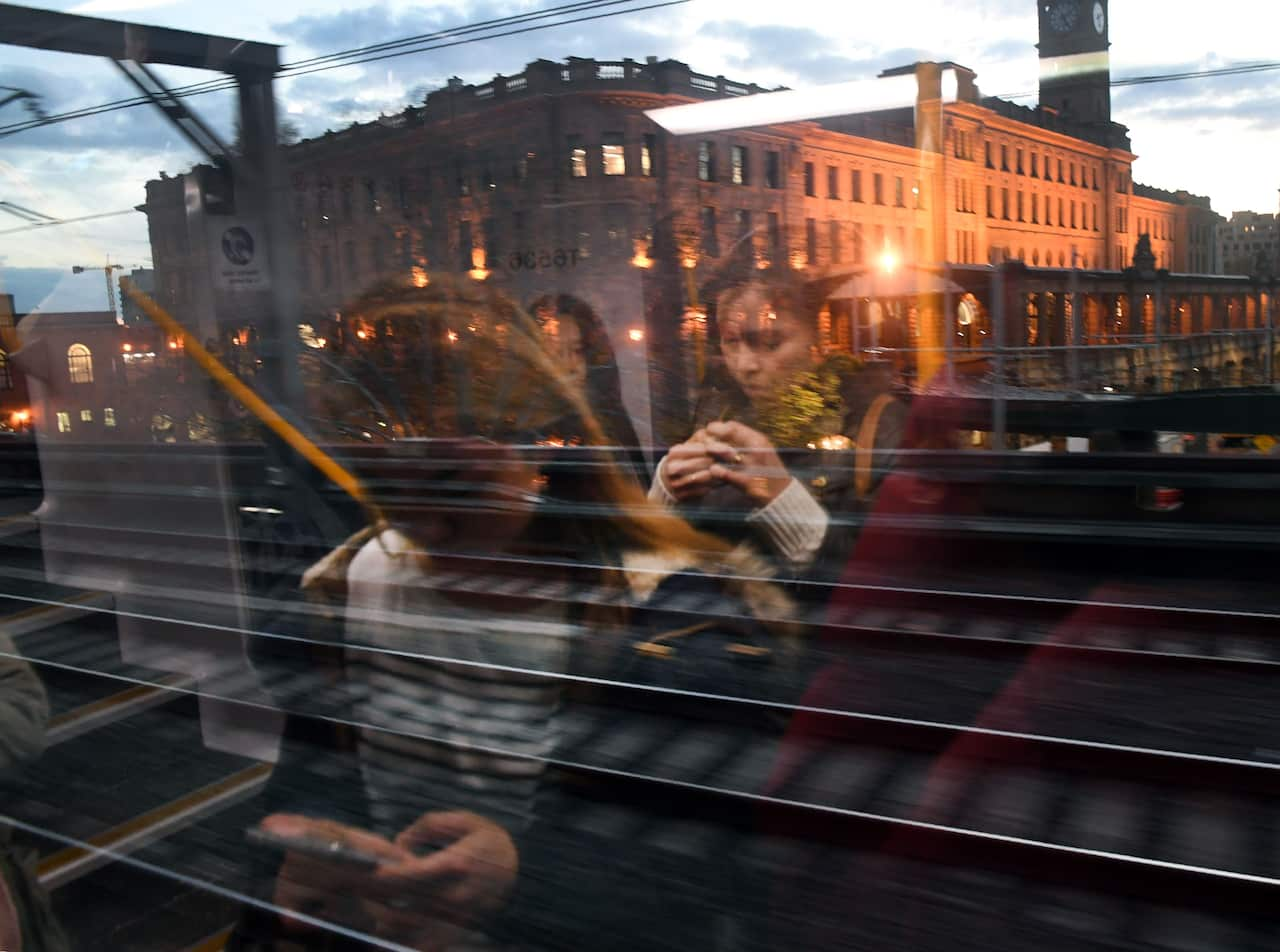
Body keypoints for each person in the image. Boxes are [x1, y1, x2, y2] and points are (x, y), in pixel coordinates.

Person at [232, 275, 793, 951]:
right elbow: (315, 770)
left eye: (454, 482)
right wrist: (304, 854)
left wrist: (531, 873)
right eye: (384, 484)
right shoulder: (354, 583)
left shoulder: (672, 620)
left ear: (542, 452)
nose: (425, 525)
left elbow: (718, 864)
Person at [649, 265, 907, 600]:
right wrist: (665, 493)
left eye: (770, 342)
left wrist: (784, 501)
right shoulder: (712, 417)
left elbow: (890, 583)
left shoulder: (877, 422)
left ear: (816, 339)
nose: (745, 365)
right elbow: (665, 568)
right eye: (731, 342)